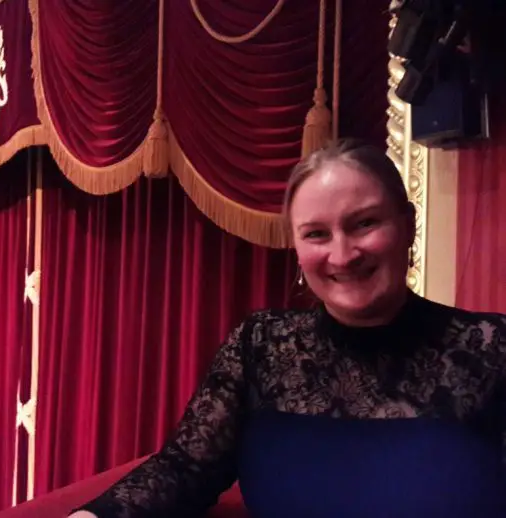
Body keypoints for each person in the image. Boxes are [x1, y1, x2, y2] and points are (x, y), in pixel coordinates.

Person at [69, 139, 506, 518]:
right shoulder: (261, 346)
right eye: (316, 234)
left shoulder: (491, 349)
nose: (342, 254)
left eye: (365, 223)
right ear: (296, 249)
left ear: (407, 225)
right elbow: (185, 469)